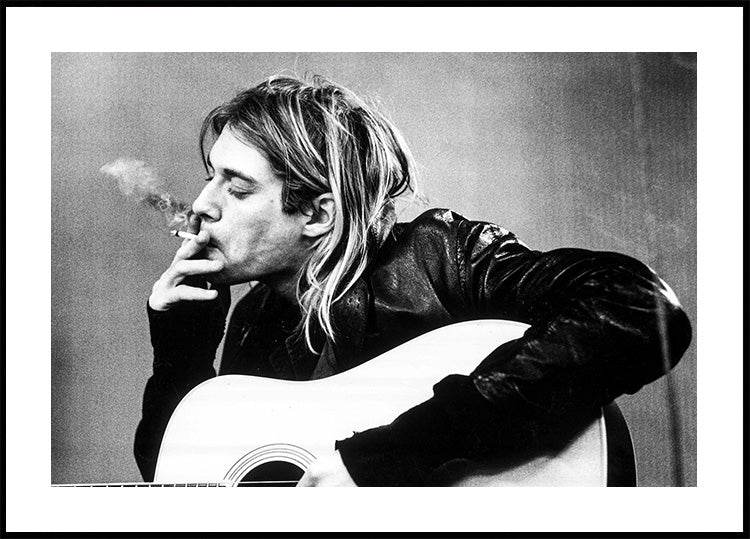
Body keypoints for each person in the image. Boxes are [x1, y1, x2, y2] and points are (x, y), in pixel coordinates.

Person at [134, 75, 692, 487]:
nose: (201, 205)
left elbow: (638, 305)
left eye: (236, 187)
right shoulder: (256, 321)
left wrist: (395, 455)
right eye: (210, 177)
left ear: (318, 214)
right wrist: (182, 346)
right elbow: (188, 483)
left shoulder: (439, 256)